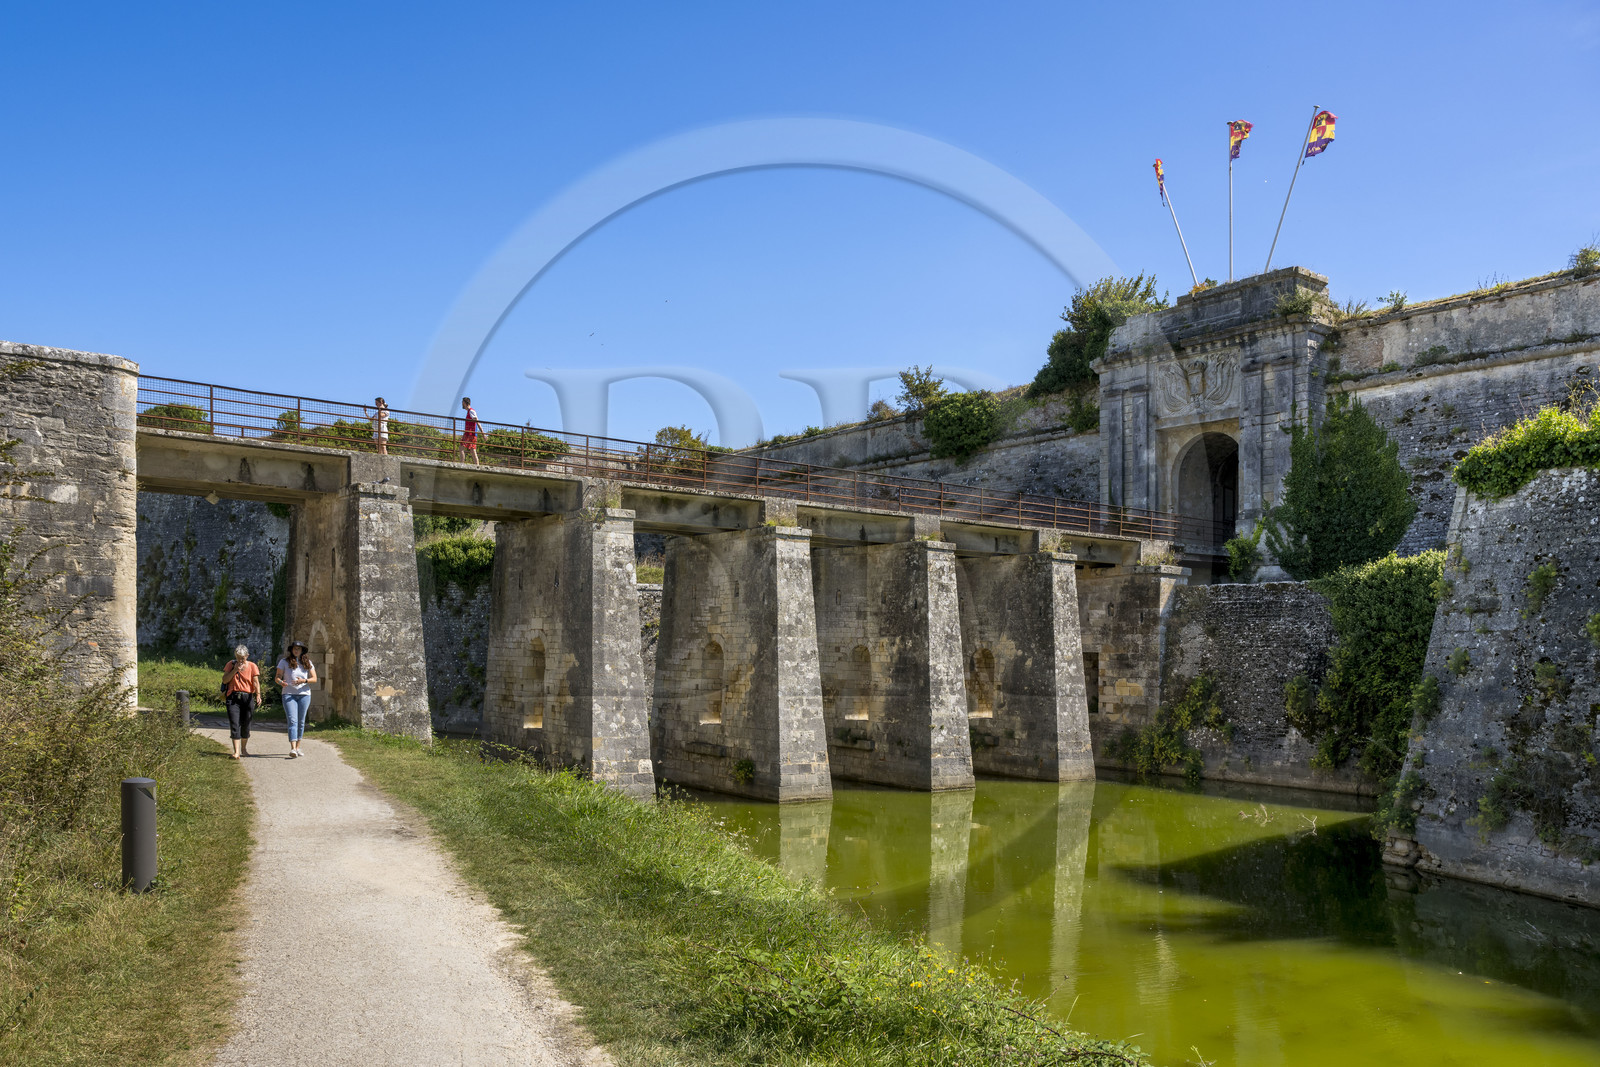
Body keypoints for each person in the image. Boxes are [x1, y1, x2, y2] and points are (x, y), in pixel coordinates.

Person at [276, 640, 318, 758]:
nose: (296, 650)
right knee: (292, 720)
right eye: (294, 648)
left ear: (302, 650)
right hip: (288, 694)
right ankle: (293, 748)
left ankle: (298, 747)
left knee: (301, 721)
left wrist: (303, 680)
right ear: (291, 650)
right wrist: (281, 682)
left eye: (298, 649)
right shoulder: (284, 662)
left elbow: (314, 678)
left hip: (304, 695)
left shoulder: (307, 663)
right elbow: (277, 677)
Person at [222, 644, 263, 758]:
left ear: (247, 656)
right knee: (235, 724)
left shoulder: (252, 666)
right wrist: (235, 670)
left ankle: (244, 749)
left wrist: (258, 695)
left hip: (247, 697)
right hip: (233, 697)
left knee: (246, 724)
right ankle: (236, 752)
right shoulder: (230, 665)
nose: (240, 660)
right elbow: (225, 680)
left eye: (242, 658)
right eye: (238, 657)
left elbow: (255, 682)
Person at [459, 396, 480, 465]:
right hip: (470, 434)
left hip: (470, 434)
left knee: (462, 448)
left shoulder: (471, 411)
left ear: (465, 403)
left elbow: (477, 422)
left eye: (462, 403)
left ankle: (462, 464)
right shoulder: (469, 411)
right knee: (472, 450)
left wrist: (483, 434)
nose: (462, 404)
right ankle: (477, 466)